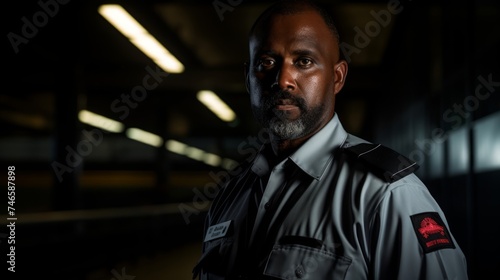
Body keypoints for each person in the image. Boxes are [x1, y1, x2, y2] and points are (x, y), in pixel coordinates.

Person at [193, 0, 469, 279]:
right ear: (248, 78)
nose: (283, 79)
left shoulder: (387, 195)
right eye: (266, 62)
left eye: (304, 61)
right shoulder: (232, 192)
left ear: (337, 78)